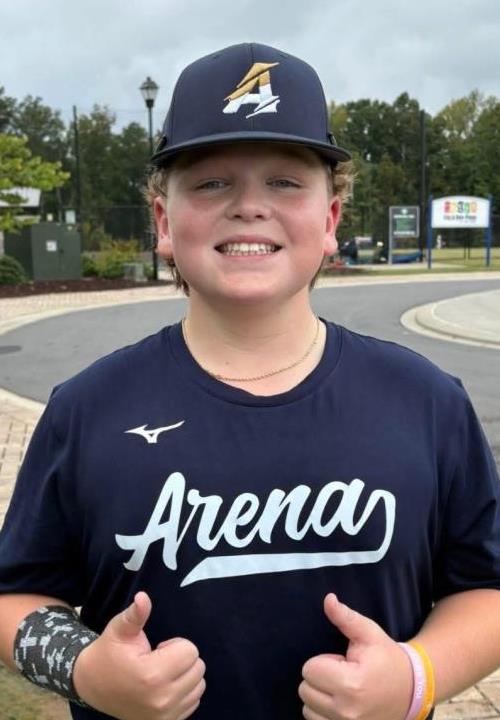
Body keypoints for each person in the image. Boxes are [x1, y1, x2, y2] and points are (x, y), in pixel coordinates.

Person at [0, 42, 499, 720]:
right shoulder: (87, 409)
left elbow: (486, 589)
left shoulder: (426, 402)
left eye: (285, 182)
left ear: (330, 220)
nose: (249, 206)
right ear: (163, 222)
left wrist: (415, 678)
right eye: (211, 183)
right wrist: (86, 671)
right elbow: (16, 597)